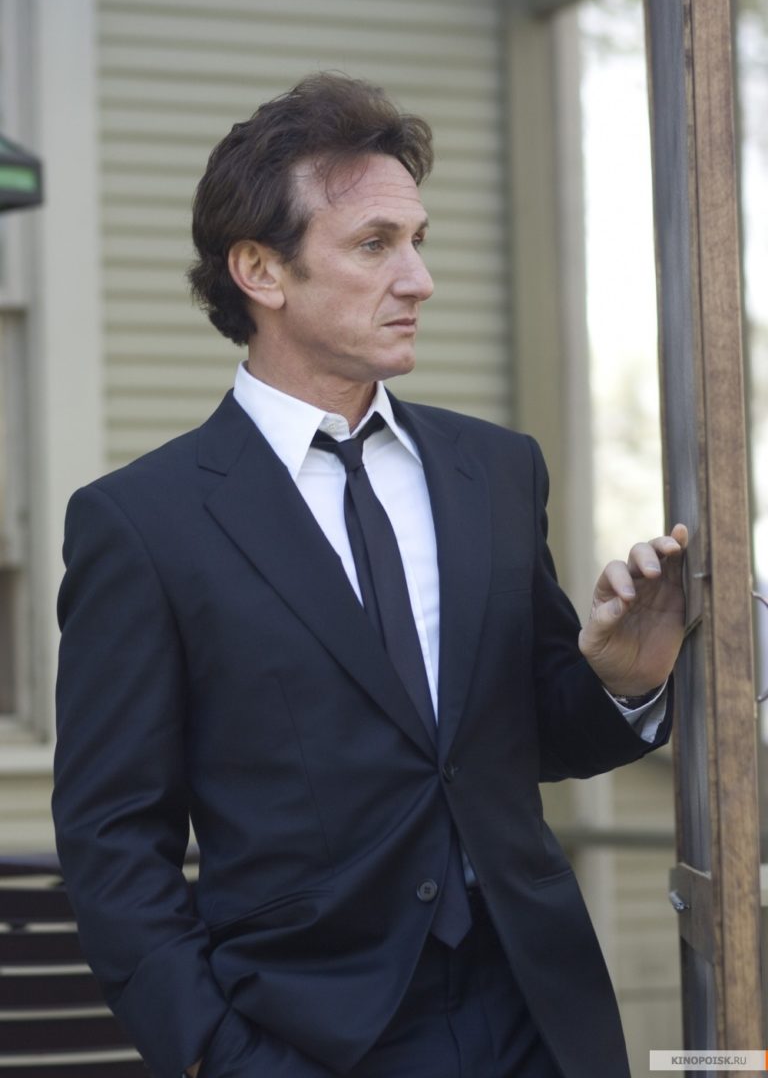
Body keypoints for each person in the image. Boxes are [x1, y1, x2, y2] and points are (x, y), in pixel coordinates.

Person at [52, 73, 687, 1078]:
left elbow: (523, 739)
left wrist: (624, 678)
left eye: (418, 239)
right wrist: (217, 1055)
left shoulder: (496, 471)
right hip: (308, 1035)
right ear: (261, 270)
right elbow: (112, 841)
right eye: (374, 244)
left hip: (539, 1015)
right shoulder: (143, 525)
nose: (419, 279)